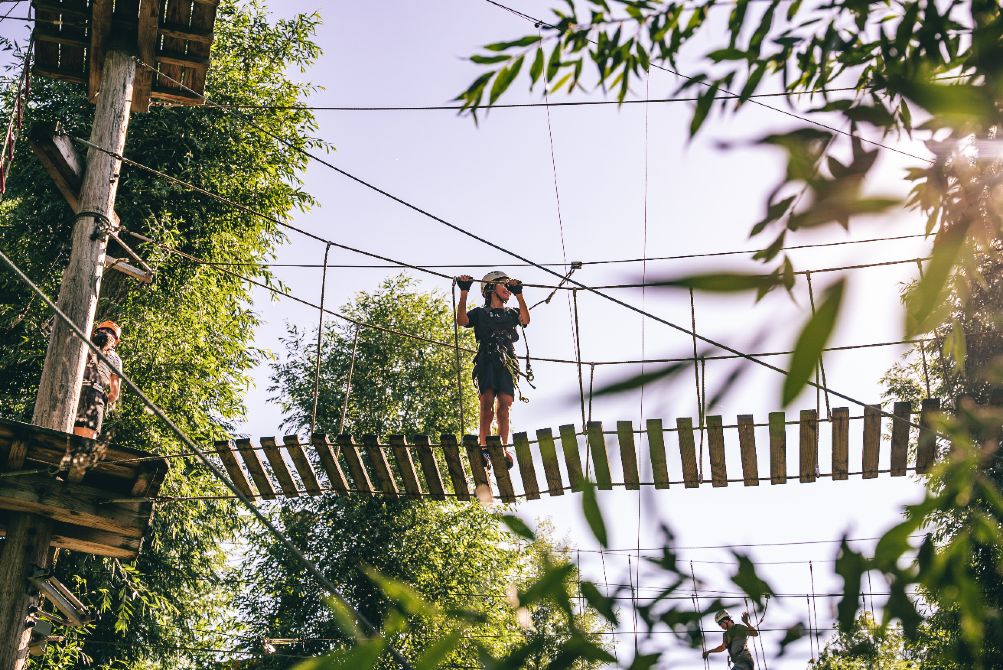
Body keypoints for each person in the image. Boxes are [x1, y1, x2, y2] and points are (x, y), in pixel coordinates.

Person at [455, 270, 530, 468]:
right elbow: (462, 321)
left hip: (506, 362)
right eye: (503, 285)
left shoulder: (511, 313)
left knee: (504, 407)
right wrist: (464, 292)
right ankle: (483, 446)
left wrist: (519, 293)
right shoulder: (480, 313)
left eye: (508, 286)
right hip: (487, 360)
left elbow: (525, 320)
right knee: (486, 403)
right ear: (490, 289)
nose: (507, 289)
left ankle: (502, 448)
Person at [72, 320, 122, 441]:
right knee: (83, 446)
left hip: (74, 391)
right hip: (94, 397)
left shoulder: (83, 345)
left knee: (60, 437)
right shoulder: (115, 359)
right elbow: (114, 394)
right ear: (115, 341)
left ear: (96, 333)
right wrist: (104, 399)